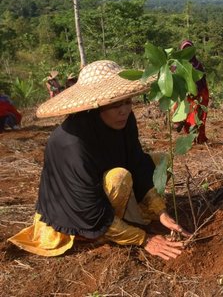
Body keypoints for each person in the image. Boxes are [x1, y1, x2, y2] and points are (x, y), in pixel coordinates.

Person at [8, 60, 190, 259]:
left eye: (127, 101)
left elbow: (136, 162)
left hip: (101, 190)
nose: (124, 110)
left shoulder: (125, 119)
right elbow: (89, 209)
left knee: (161, 161)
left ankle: (130, 218)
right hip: (76, 214)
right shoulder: (72, 143)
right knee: (119, 178)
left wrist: (160, 211)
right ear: (97, 105)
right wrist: (144, 239)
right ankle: (96, 236)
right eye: (115, 105)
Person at [174, 40, 209, 144]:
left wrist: (196, 92)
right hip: (185, 96)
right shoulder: (178, 65)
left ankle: (199, 138)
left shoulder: (197, 65)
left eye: (189, 49)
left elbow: (201, 80)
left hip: (199, 96)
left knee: (197, 117)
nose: (187, 52)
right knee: (187, 118)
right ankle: (190, 139)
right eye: (185, 50)